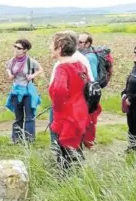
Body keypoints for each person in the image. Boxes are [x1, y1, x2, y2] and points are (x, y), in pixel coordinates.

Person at [48, 31, 91, 169]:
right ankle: (79, 180)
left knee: (65, 154)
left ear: (59, 47)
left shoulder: (62, 68)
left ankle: (65, 183)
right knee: (76, 150)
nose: (49, 47)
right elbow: (88, 86)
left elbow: (59, 91)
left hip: (66, 117)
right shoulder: (80, 65)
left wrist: (58, 107)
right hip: (79, 113)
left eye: (51, 44)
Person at [5, 39, 43, 144]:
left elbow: (40, 69)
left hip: (28, 91)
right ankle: (16, 139)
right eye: (15, 47)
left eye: (19, 48)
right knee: (18, 116)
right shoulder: (12, 61)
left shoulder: (30, 61)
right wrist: (10, 75)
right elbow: (8, 68)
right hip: (16, 91)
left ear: (25, 50)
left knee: (29, 116)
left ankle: (29, 139)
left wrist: (32, 76)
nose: (16, 49)